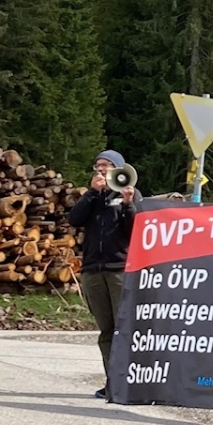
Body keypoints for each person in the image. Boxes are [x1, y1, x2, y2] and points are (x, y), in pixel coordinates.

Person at [68, 150, 142, 400]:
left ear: (118, 168)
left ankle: (130, 381)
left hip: (119, 269)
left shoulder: (129, 193)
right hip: (93, 270)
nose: (101, 169)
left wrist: (128, 204)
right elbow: (75, 219)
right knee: (106, 330)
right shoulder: (94, 196)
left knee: (124, 328)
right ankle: (113, 382)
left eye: (106, 165)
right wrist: (91, 193)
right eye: (97, 165)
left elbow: (136, 230)